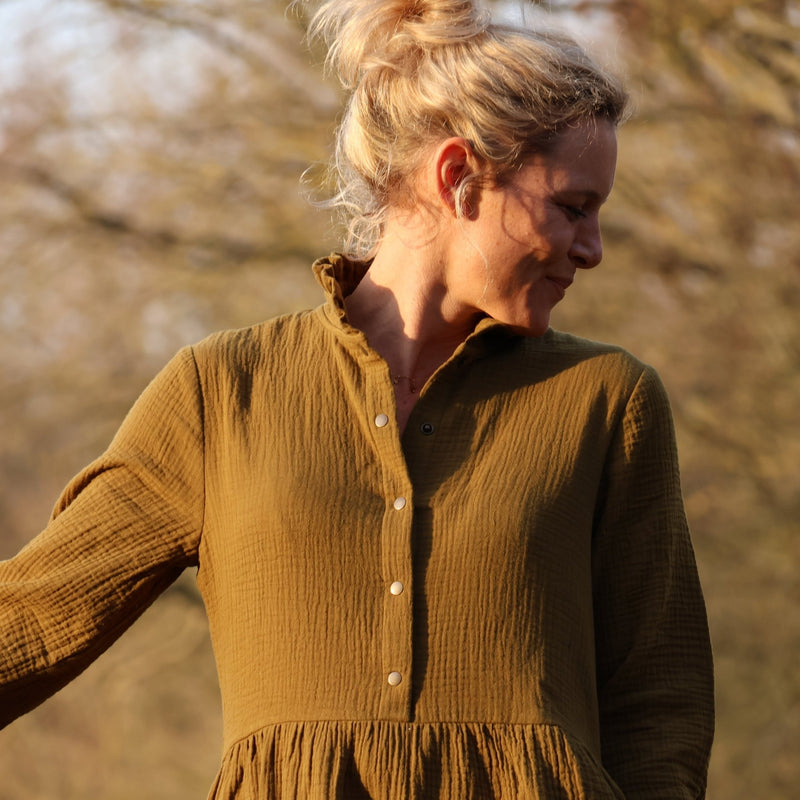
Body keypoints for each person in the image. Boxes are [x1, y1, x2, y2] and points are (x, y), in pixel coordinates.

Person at [0, 0, 714, 797]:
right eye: (572, 207)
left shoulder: (607, 403)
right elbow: (31, 619)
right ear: (458, 177)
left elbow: (660, 713)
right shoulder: (223, 392)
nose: (593, 249)